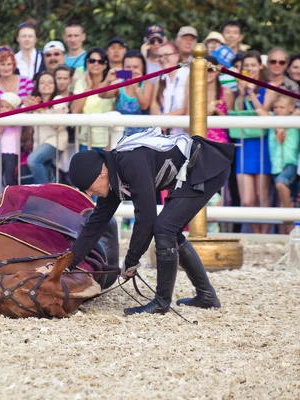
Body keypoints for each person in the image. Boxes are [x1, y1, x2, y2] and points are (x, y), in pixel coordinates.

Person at [66, 127, 234, 315]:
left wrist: (131, 261)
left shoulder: (129, 162)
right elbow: (95, 225)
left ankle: (161, 303)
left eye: (88, 188)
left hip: (206, 165)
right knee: (170, 230)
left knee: (164, 228)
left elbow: (146, 218)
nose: (90, 194)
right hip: (196, 166)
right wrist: (66, 263)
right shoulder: (113, 174)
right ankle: (206, 296)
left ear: (101, 173)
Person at [235, 50, 276, 233]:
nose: (250, 69)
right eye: (246, 66)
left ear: (260, 66)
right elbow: (236, 110)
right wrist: (242, 93)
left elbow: (264, 111)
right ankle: (256, 233)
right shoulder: (238, 89)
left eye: (253, 65)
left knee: (262, 195)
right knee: (247, 200)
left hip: (262, 143)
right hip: (244, 144)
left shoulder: (270, 87)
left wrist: (251, 93)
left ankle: (265, 235)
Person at [260, 95, 299, 233]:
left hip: (291, 162)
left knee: (281, 184)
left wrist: (290, 118)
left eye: (281, 107)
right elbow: (259, 111)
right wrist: (280, 126)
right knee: (282, 198)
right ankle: (288, 230)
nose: (277, 110)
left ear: (291, 108)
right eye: (275, 107)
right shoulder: (273, 120)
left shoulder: (295, 118)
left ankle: (289, 213)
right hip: (276, 165)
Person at [26, 72, 68, 184]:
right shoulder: (35, 101)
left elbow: (56, 124)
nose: (46, 85)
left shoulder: (58, 99)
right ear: (38, 86)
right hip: (39, 142)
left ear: (55, 85)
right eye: (42, 82)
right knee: (42, 173)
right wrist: (26, 105)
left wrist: (39, 109)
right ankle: (46, 199)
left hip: (55, 140)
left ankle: (45, 192)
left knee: (33, 161)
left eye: (50, 82)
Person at [100, 50, 154, 137]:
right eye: (128, 67)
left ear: (142, 68)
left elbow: (145, 105)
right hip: (120, 136)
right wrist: (107, 80)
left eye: (135, 67)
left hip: (142, 137)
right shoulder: (120, 83)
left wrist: (135, 88)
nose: (131, 70)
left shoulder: (147, 84)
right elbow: (102, 95)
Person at [71, 48, 113, 150]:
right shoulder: (80, 83)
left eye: (100, 61)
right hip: (85, 139)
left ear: (105, 65)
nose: (96, 64)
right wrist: (88, 88)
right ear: (86, 63)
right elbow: (75, 110)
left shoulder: (112, 81)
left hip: (108, 140)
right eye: (92, 61)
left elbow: (132, 74)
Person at [150, 43, 189, 135]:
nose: (163, 59)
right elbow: (154, 104)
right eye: (159, 56)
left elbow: (188, 107)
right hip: (164, 131)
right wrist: (161, 121)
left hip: (183, 131)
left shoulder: (188, 74)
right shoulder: (159, 79)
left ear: (177, 56)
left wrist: (164, 120)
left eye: (166, 55)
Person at [0, 46, 34, 112]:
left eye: (9, 64)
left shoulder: (26, 82)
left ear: (13, 65)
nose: (6, 68)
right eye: (2, 64)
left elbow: (32, 104)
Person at [0, 92, 22, 195]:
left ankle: (12, 201)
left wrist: (1, 122)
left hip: (12, 153)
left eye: (7, 107)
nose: (3, 109)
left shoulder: (17, 117)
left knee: (10, 179)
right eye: (1, 107)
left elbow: (12, 124)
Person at [205, 56, 234, 144]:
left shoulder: (226, 92)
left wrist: (217, 111)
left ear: (217, 71)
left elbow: (232, 123)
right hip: (199, 143)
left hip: (220, 143)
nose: (206, 73)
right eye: (202, 70)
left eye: (210, 69)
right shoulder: (195, 93)